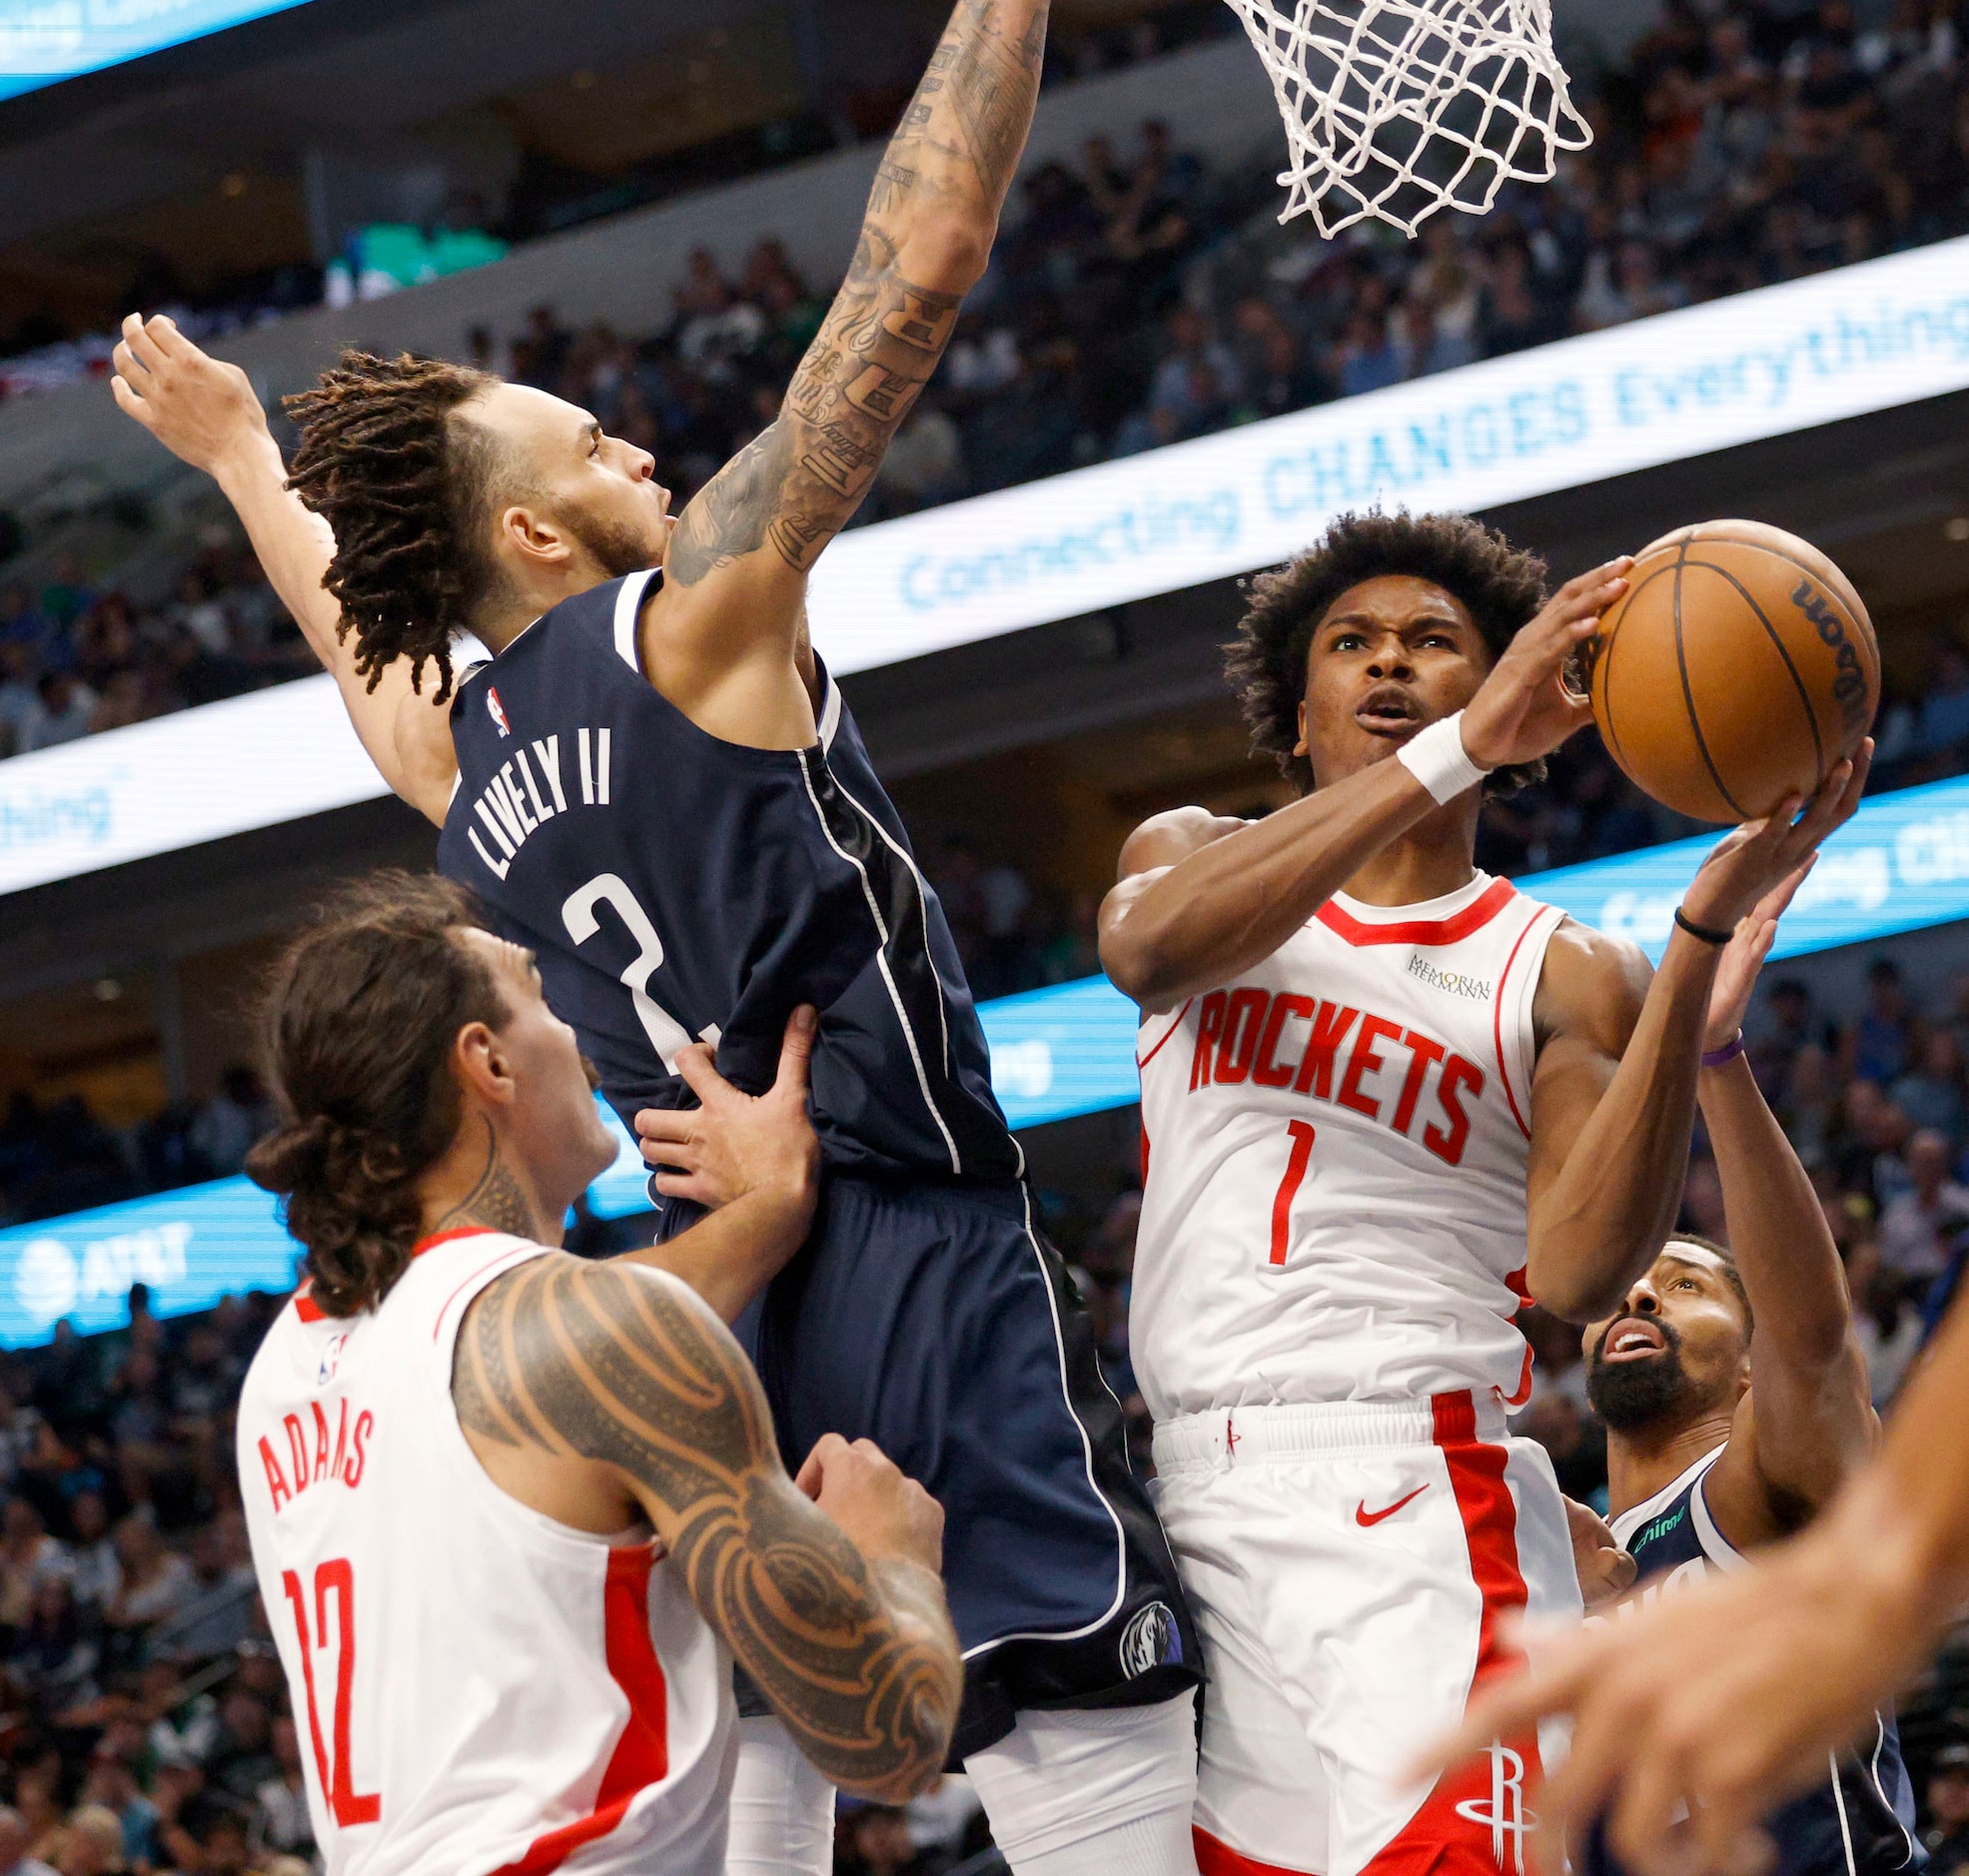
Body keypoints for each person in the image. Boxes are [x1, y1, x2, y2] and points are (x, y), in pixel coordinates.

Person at [108, 3, 1205, 1869]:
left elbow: (344, 621)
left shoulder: (458, 758)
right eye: (595, 442)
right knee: (1112, 1765)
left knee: (764, 1773)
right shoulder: (695, 624)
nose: (639, 446)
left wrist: (236, 456)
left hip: (714, 1298)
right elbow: (920, 260)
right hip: (919, 1245)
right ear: (534, 532)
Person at [1098, 507, 1867, 1876]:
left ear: (1509, 692)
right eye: (1350, 642)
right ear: (1294, 709)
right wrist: (1449, 751)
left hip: (1408, 1487)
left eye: (1431, 643)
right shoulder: (1188, 851)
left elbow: (1574, 1271)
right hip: (1192, 1504)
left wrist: (1689, 945)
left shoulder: (1559, 966)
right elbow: (1146, 950)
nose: (1387, 662)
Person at [235, 871, 960, 1874]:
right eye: (540, 996)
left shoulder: (286, 1367)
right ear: (484, 1058)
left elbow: (548, 1364)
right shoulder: (592, 1335)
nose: (577, 1035)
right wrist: (892, 1563)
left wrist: (764, 1212)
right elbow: (890, 1737)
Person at [1577, 862, 1918, 1876]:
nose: (1639, 1296)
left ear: (1744, 1372)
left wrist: (1717, 1057)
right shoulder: (1558, 1556)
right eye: (1629, 1288)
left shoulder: (1762, 1491)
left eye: (1685, 1286)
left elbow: (1812, 1342)